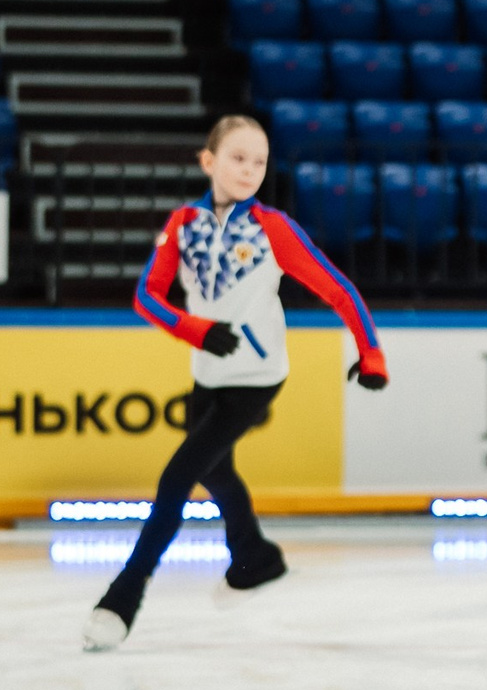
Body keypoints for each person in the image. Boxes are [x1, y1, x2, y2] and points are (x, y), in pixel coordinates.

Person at [83, 115, 388, 651]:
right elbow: (146, 297)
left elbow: (339, 290)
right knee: (215, 472)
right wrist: (193, 329)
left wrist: (371, 354)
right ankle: (256, 557)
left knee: (178, 477)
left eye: (259, 161)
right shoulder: (182, 223)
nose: (249, 170)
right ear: (209, 161)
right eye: (237, 158)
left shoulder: (275, 228)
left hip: (257, 375)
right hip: (208, 373)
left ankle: (122, 599)